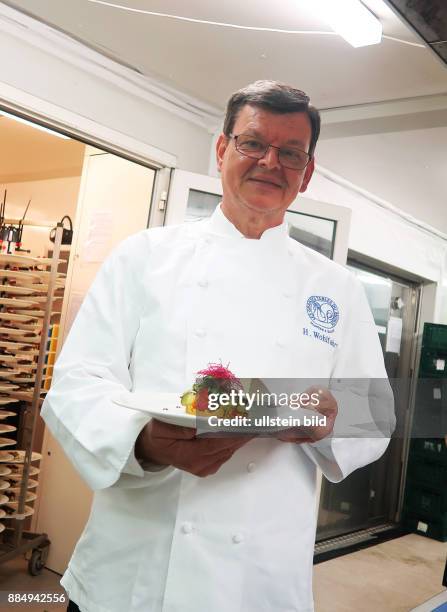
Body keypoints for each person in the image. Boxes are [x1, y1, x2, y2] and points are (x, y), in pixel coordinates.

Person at [42, 80, 395, 612]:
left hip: (260, 576)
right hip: (134, 566)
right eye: (253, 143)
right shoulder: (145, 257)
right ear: (222, 148)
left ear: (308, 171)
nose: (270, 163)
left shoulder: (336, 288)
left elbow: (373, 412)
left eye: (291, 153)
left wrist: (333, 418)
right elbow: (75, 385)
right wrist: (144, 443)